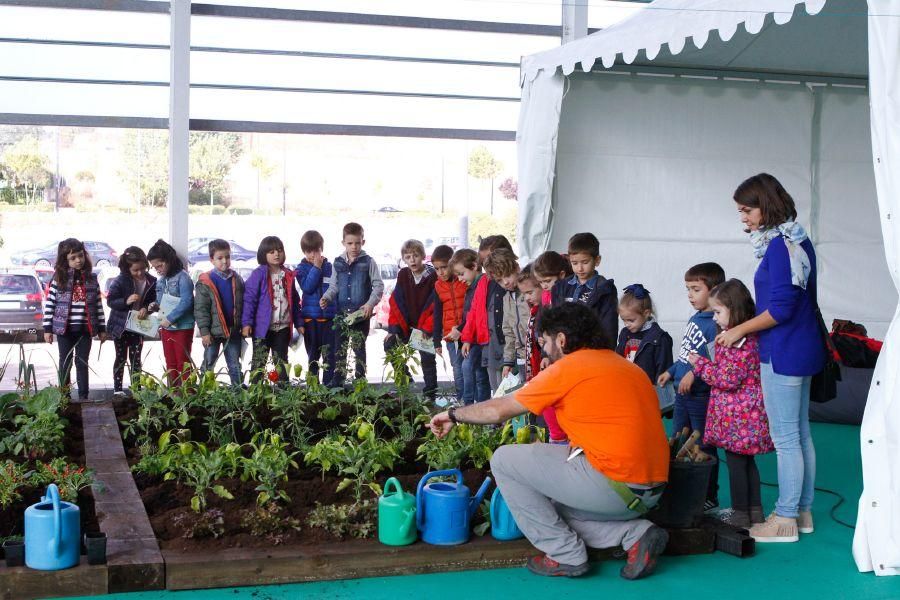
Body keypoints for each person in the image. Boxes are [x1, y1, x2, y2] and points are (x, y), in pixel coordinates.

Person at [428, 304, 669, 579]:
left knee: (505, 460)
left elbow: (499, 410)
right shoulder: (625, 366)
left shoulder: (569, 367)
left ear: (562, 340)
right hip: (651, 493)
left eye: (544, 343)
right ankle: (637, 534)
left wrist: (452, 414)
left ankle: (565, 555)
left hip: (615, 488)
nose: (544, 351)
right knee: (546, 511)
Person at [717, 173, 825, 543]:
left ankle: (785, 516)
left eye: (747, 210)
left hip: (784, 351)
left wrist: (739, 329)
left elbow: (780, 309)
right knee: (800, 434)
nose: (743, 218)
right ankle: (803, 510)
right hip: (803, 347)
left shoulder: (780, 246)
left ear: (766, 205)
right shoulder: (798, 238)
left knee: (786, 438)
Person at [688, 278, 773, 529]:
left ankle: (739, 514)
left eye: (717, 312)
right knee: (748, 463)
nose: (714, 318)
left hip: (736, 416)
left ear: (733, 309)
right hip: (749, 414)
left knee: (736, 464)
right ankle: (755, 511)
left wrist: (699, 364)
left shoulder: (735, 341)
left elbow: (727, 379)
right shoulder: (752, 337)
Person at [657, 262, 725, 510]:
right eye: (688, 289)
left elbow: (715, 360)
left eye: (696, 289)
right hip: (682, 396)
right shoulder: (695, 318)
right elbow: (686, 355)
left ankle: (709, 494)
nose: (690, 295)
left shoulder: (715, 324)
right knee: (677, 440)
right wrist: (671, 371)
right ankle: (681, 488)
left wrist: (694, 375)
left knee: (704, 444)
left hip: (700, 397)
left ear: (714, 290)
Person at [42, 238, 107, 401]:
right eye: (73, 258)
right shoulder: (59, 279)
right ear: (65, 261)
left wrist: (102, 329)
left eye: (80, 256)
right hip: (65, 330)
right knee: (65, 363)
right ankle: (64, 396)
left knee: (82, 362)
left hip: (85, 330)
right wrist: (47, 329)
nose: (78, 260)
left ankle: (84, 396)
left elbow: (98, 305)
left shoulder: (92, 279)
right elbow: (50, 305)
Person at [320, 222, 384, 385]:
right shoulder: (338, 262)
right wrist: (326, 297)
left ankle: (360, 380)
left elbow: (378, 285)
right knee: (339, 348)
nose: (354, 246)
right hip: (341, 314)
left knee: (359, 349)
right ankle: (338, 380)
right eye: (350, 243)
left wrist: (370, 304)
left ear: (363, 242)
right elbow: (334, 286)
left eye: (357, 242)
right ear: (343, 243)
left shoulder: (368, 262)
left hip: (360, 314)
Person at [517, 264, 567, 445]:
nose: (527, 298)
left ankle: (556, 439)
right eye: (524, 294)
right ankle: (551, 438)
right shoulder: (536, 310)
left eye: (530, 292)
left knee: (551, 407)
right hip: (541, 363)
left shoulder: (551, 308)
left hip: (550, 365)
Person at [242, 236, 302, 384]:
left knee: (281, 363)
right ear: (263, 254)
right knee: (259, 363)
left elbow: (294, 301)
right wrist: (246, 323)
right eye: (271, 252)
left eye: (279, 250)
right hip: (262, 329)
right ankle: (254, 396)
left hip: (282, 328)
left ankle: (283, 396)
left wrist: (300, 323)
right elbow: (249, 300)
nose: (276, 254)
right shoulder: (258, 274)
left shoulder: (288, 274)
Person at [386, 239, 438, 398]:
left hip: (424, 325)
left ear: (423, 256)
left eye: (415, 256)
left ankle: (430, 392)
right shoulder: (403, 274)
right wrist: (393, 329)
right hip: (406, 324)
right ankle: (405, 380)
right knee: (389, 344)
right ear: (403, 259)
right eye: (408, 257)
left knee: (427, 358)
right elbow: (396, 302)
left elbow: (435, 305)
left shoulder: (432, 275)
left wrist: (427, 329)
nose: (412, 260)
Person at [106, 246, 156, 396]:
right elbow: (110, 301)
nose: (140, 273)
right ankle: (118, 389)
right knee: (120, 357)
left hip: (138, 325)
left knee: (136, 358)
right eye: (135, 270)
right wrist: (125, 301)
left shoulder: (152, 281)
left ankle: (136, 389)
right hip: (120, 326)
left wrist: (146, 309)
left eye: (142, 268)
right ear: (127, 269)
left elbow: (154, 301)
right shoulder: (120, 281)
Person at [550, 232, 618, 343]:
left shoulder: (605, 289)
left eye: (585, 262)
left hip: (590, 350)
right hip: (563, 351)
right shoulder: (560, 287)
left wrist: (605, 353)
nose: (580, 268)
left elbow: (609, 327)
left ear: (597, 260)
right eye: (575, 263)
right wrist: (547, 354)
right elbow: (553, 323)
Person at [195, 239, 245, 387]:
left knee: (235, 364)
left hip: (232, 331)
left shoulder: (237, 279)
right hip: (212, 332)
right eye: (220, 258)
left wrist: (243, 324)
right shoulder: (205, 281)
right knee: (209, 362)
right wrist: (204, 332)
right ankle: (204, 392)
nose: (225, 261)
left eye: (227, 257)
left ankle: (238, 394)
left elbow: (242, 304)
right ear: (212, 260)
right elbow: (200, 309)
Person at [147, 239, 194, 388]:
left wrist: (170, 318)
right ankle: (174, 394)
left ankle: (188, 395)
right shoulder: (161, 281)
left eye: (160, 265)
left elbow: (187, 301)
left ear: (169, 260)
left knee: (183, 362)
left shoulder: (183, 277)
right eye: (155, 268)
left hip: (182, 327)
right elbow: (161, 303)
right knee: (170, 362)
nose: (158, 270)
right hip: (166, 327)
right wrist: (154, 306)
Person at [482, 248, 530, 386]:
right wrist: (508, 361)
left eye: (507, 275)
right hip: (521, 357)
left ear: (516, 267)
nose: (505, 282)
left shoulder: (530, 293)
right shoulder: (507, 298)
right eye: (500, 280)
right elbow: (508, 331)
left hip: (536, 354)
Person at [295, 230, 337, 387]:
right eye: (308, 251)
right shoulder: (301, 269)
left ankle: (328, 387)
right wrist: (316, 268)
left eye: (316, 250)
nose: (313, 254)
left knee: (329, 355)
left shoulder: (330, 267)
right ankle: (313, 386)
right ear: (304, 252)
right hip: (310, 320)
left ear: (322, 248)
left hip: (329, 320)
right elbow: (308, 287)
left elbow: (335, 290)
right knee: (313, 355)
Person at [450, 248, 491, 404]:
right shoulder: (474, 285)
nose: (460, 279)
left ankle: (468, 405)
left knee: (469, 368)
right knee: (479, 374)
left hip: (478, 338)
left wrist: (466, 337)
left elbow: (475, 316)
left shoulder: (482, 283)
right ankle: (478, 407)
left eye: (461, 273)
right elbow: (470, 315)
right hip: (473, 337)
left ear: (474, 266)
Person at [615, 284, 673, 384]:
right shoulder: (625, 333)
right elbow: (618, 359)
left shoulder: (660, 339)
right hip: (627, 386)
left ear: (646, 314)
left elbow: (663, 371)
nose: (626, 324)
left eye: (631, 320)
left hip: (647, 389)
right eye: (623, 320)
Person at [478, 235, 514, 393]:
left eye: (489, 259)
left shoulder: (515, 286)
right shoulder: (489, 282)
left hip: (511, 346)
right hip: (492, 344)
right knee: (497, 390)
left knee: (510, 390)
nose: (487, 265)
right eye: (484, 262)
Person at [431, 244, 467, 399]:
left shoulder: (463, 280)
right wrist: (436, 341)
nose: (441, 272)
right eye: (436, 269)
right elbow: (437, 314)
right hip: (450, 335)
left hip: (468, 332)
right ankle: (461, 402)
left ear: (452, 264)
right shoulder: (438, 286)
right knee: (457, 368)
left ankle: (473, 402)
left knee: (471, 368)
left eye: (444, 267)